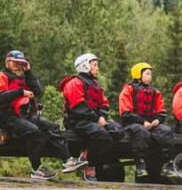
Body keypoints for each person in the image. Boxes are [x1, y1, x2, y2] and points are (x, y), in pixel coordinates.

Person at [0, 50, 85, 179]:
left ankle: (67, 160)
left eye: (21, 63)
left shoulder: (24, 77)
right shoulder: (3, 76)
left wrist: (28, 72)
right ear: (8, 63)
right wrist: (21, 92)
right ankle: (36, 168)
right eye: (16, 63)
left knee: (52, 127)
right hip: (7, 116)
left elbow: (37, 91)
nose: (19, 66)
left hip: (25, 114)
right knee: (34, 132)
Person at [59, 53, 125, 181]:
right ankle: (90, 165)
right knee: (102, 135)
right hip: (78, 120)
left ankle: (86, 157)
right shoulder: (74, 83)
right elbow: (79, 107)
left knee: (118, 131)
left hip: (94, 120)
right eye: (94, 65)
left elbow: (104, 105)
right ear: (85, 66)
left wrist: (102, 118)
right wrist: (97, 119)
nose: (97, 68)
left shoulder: (96, 85)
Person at [118, 62, 176, 179]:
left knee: (166, 131)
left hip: (151, 123)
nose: (150, 77)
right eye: (147, 74)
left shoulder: (155, 92)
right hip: (133, 123)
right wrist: (142, 122)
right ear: (138, 75)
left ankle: (167, 164)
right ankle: (140, 164)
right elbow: (125, 113)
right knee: (141, 132)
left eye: (151, 74)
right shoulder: (128, 89)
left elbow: (161, 111)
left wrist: (157, 121)